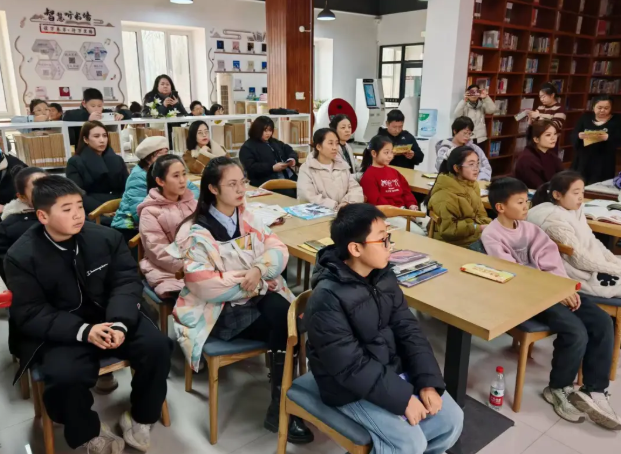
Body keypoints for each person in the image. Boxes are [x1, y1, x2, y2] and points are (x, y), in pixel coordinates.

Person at [5, 176, 173, 452]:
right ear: (43, 216)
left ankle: (141, 416)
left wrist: (119, 323)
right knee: (63, 376)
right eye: (67, 209)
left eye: (80, 206)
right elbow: (31, 311)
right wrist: (84, 331)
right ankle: (88, 431)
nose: (77, 214)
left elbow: (126, 281)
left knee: (157, 347)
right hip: (63, 329)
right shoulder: (21, 256)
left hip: (111, 315)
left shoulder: (105, 237)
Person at [167, 157, 314, 443]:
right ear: (213, 188)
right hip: (217, 311)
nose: (240, 189)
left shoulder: (247, 215)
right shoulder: (195, 230)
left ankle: (281, 402)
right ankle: (284, 404)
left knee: (289, 318)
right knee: (287, 326)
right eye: (232, 184)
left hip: (252, 293)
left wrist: (258, 269)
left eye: (242, 182)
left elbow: (278, 249)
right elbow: (205, 284)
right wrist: (260, 279)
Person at [306, 203, 463, 454]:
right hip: (346, 387)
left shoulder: (383, 275)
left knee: (451, 421)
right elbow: (349, 366)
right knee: (409, 443)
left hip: (389, 370)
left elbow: (408, 329)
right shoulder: (327, 297)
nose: (390, 246)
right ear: (355, 248)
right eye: (382, 240)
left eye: (389, 237)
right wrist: (403, 399)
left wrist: (427, 382)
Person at [482, 177, 619, 430]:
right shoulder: (492, 235)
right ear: (500, 207)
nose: (526, 206)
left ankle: (594, 390)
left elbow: (551, 260)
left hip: (553, 290)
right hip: (527, 296)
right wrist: (554, 293)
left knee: (602, 321)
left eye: (526, 200)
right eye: (520, 202)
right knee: (576, 331)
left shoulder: (530, 230)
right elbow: (513, 274)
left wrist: (563, 288)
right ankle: (558, 388)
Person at [529, 170, 621, 298]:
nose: (581, 197)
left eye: (582, 192)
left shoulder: (574, 210)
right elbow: (579, 260)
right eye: (576, 193)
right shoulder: (554, 220)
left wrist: (615, 263)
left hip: (594, 263)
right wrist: (616, 269)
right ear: (557, 195)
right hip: (579, 273)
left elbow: (593, 241)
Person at [111, 136, 199, 241]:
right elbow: (138, 213)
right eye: (161, 154)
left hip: (165, 221)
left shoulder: (170, 173)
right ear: (148, 159)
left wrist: (178, 203)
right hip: (129, 228)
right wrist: (174, 207)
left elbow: (194, 191)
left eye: (167, 153)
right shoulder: (137, 177)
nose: (166, 159)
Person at [138, 155, 197, 298]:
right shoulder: (149, 211)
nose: (182, 180)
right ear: (160, 181)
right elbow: (157, 250)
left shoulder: (192, 203)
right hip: (168, 269)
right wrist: (189, 266)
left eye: (184, 174)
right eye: (176, 176)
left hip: (198, 262)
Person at [427, 146, 491, 247]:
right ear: (456, 168)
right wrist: (478, 227)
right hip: (451, 243)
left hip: (472, 236)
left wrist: (489, 225)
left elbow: (481, 215)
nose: (476, 169)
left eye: (477, 163)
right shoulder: (445, 195)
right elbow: (449, 230)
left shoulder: (473, 186)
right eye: (471, 164)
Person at [66, 121, 128, 224]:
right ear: (86, 139)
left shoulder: (117, 159)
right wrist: (103, 209)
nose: (102, 140)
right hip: (93, 210)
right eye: (96, 136)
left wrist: (120, 206)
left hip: (119, 207)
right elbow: (77, 194)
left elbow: (127, 187)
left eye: (104, 136)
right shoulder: (75, 162)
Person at [359, 136, 423, 233]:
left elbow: (406, 191)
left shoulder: (393, 171)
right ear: (374, 153)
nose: (390, 156)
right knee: (420, 233)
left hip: (404, 210)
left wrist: (411, 205)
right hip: (388, 215)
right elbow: (378, 203)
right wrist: (402, 213)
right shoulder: (368, 176)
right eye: (386, 153)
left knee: (429, 224)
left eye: (392, 152)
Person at [297, 128, 363, 210]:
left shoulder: (342, 166)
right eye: (330, 143)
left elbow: (355, 188)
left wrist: (346, 203)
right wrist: (334, 206)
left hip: (345, 212)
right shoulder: (307, 169)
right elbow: (307, 197)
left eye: (337, 143)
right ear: (318, 146)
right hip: (320, 214)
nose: (335, 148)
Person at [0, 168, 47, 280]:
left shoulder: (65, 212)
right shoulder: (9, 226)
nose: (47, 192)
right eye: (37, 189)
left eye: (50, 185)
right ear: (22, 197)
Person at [239, 116, 298, 197]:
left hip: (288, 177)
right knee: (290, 194)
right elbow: (251, 167)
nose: (268, 133)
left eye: (270, 130)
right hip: (268, 182)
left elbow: (289, 150)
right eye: (265, 130)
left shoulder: (274, 142)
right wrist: (272, 168)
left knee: (305, 188)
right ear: (257, 130)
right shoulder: (247, 147)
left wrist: (292, 159)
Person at [571, 95, 621, 185]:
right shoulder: (585, 117)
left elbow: (618, 139)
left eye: (606, 108)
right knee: (579, 182)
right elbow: (574, 134)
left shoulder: (617, 120)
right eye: (599, 108)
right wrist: (579, 136)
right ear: (593, 107)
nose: (602, 110)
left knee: (600, 185)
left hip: (604, 159)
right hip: (584, 157)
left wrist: (607, 137)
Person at [63, 88, 131, 145]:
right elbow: (66, 115)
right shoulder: (78, 114)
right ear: (84, 104)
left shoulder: (105, 112)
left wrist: (121, 115)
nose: (96, 109)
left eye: (99, 106)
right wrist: (88, 117)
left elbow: (129, 114)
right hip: (84, 149)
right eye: (93, 106)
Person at [435, 117, 492, 181]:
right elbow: (441, 168)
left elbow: (486, 167)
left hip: (475, 183)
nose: (467, 136)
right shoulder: (445, 149)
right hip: (453, 182)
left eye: (469, 133)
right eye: (465, 133)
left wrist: (480, 181)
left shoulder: (475, 148)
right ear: (455, 131)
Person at [514, 120, 564, 189]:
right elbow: (539, 186)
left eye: (555, 134)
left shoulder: (552, 156)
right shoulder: (527, 159)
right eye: (548, 135)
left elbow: (563, 177)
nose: (553, 138)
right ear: (536, 139)